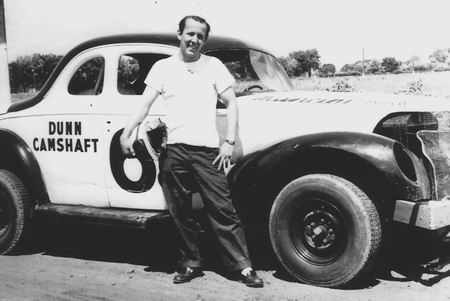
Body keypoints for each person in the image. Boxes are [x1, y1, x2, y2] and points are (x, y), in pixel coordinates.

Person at [120, 15, 263, 288]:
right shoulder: (163, 68)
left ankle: (243, 267)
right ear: (179, 34)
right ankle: (190, 263)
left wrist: (229, 141)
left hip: (208, 152)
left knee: (223, 210)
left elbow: (231, 103)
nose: (195, 40)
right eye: (190, 34)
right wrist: (128, 133)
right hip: (174, 151)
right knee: (180, 212)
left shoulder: (214, 66)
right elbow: (144, 105)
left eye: (200, 36)